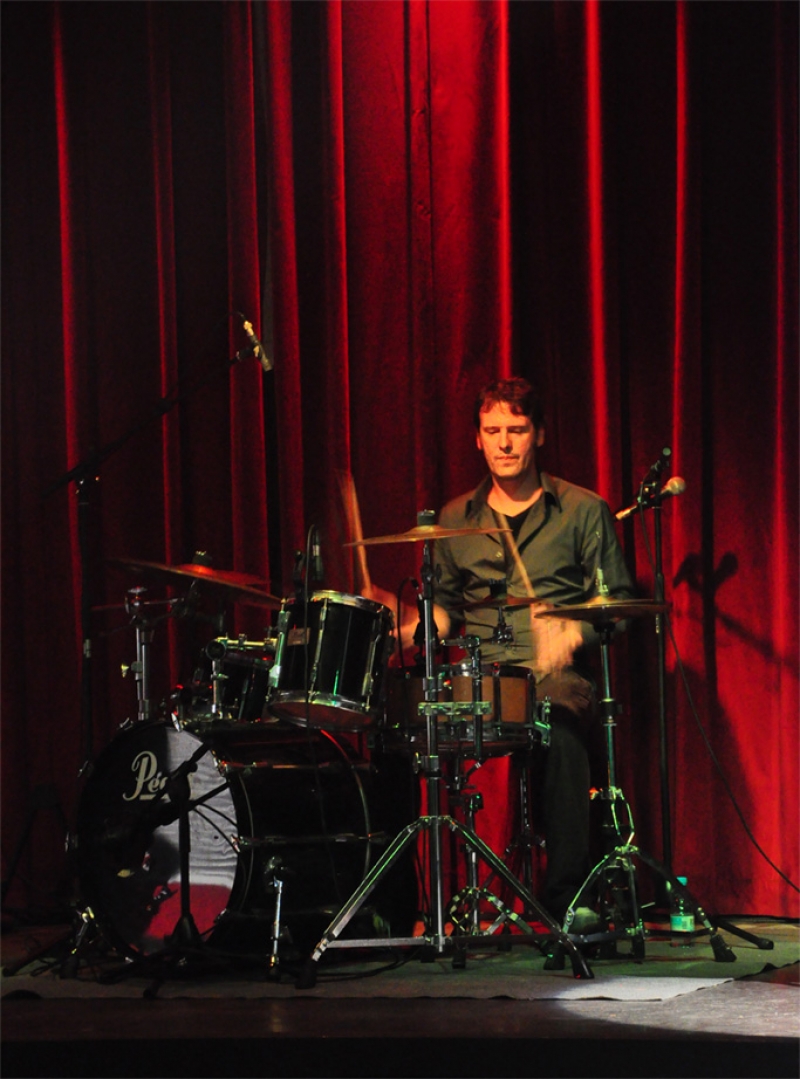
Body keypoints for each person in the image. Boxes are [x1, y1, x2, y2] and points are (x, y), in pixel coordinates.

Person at [430, 376, 634, 931]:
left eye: (516, 430)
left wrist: (575, 631)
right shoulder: (455, 518)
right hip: (481, 675)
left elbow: (619, 606)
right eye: (492, 430)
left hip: (555, 674)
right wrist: (408, 626)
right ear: (477, 438)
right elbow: (444, 612)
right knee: (407, 728)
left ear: (538, 434)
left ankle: (568, 898)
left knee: (559, 727)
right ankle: (420, 900)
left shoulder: (583, 510)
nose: (504, 443)